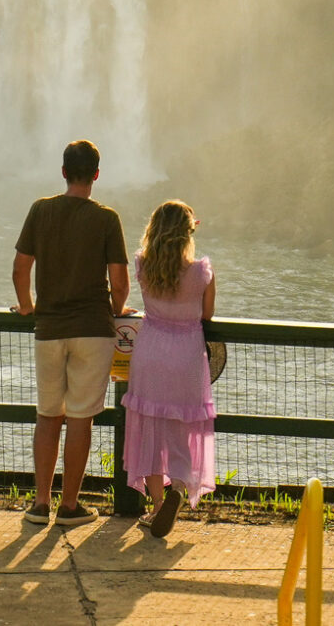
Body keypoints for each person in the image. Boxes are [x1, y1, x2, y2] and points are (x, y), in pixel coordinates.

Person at [12, 138, 130, 527]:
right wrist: (117, 311)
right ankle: (70, 507)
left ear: (63, 172)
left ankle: (40, 503)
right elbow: (119, 282)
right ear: (96, 174)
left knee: (48, 416)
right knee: (81, 419)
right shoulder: (106, 218)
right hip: (93, 331)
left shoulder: (40, 210)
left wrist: (29, 307)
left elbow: (20, 269)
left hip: (48, 329)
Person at [123, 199, 215, 538]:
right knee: (181, 428)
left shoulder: (144, 265)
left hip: (151, 353)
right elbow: (207, 314)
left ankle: (158, 506)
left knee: (150, 427)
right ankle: (178, 486)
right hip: (187, 356)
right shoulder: (200, 271)